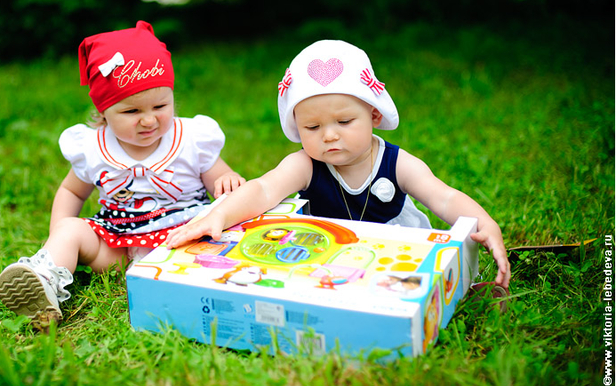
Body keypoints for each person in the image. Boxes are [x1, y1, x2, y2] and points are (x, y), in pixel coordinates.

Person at [166, 40, 511, 289]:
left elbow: (444, 198)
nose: (329, 136)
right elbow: (263, 189)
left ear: (374, 115)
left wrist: (485, 224)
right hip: (326, 255)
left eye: (344, 122)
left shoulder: (397, 164)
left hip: (394, 254)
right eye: (312, 127)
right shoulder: (306, 164)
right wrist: (219, 216)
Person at [0, 21, 245, 322]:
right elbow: (71, 191)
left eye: (160, 106)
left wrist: (227, 179)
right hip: (117, 246)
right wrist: (58, 236)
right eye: (131, 111)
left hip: (183, 239)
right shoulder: (93, 148)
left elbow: (223, 183)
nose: (149, 120)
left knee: (219, 241)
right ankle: (47, 279)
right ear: (103, 111)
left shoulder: (191, 140)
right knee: (70, 230)